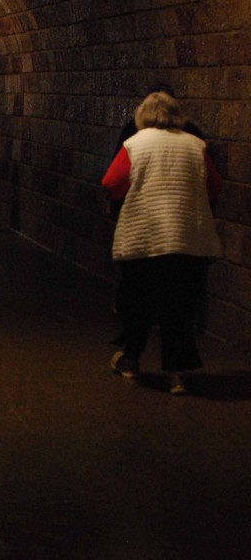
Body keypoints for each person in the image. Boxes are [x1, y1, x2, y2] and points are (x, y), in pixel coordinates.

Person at [102, 91, 222, 395]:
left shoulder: (135, 144)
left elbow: (111, 183)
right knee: (180, 307)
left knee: (140, 302)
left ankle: (130, 360)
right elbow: (213, 185)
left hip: (146, 236)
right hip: (185, 237)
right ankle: (177, 374)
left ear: (143, 114)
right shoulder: (196, 145)